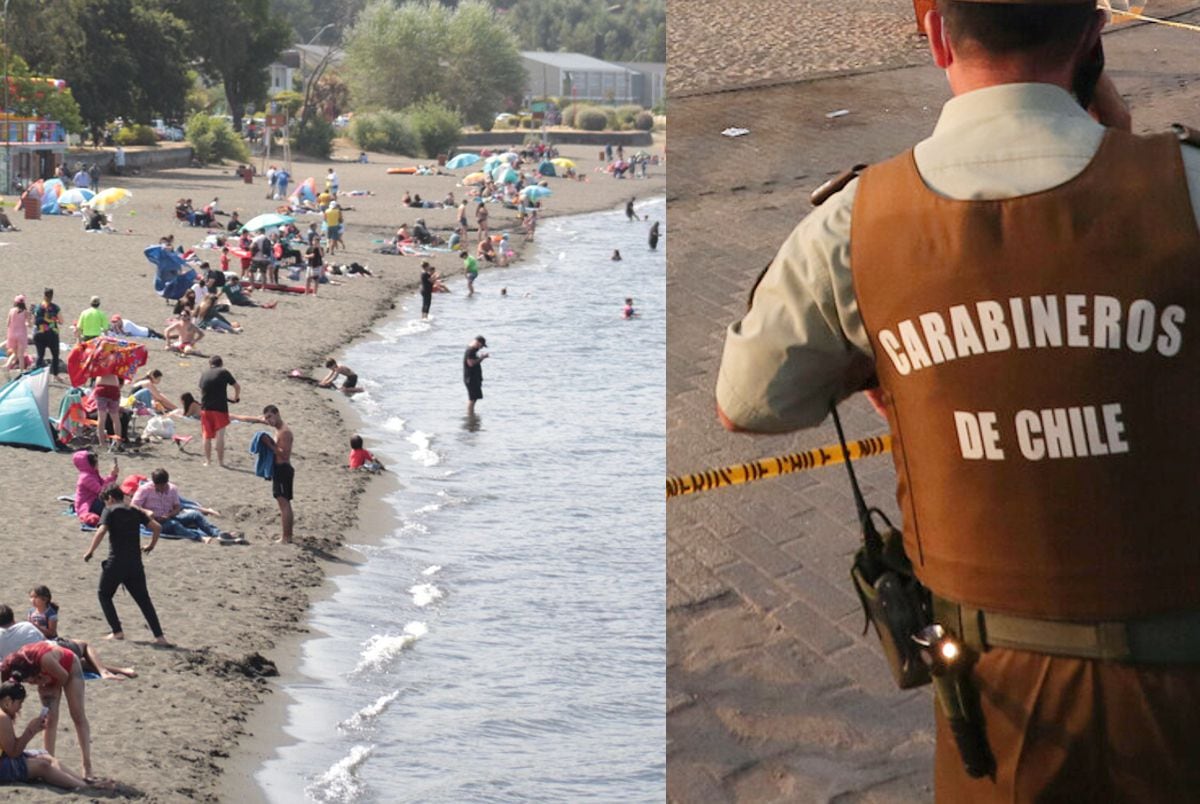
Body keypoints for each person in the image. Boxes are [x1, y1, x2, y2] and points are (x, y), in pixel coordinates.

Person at [715, 0, 1196, 798]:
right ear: (1092, 38)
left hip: (996, 703)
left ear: (936, 31)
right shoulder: (1183, 189)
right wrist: (1124, 134)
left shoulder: (854, 226)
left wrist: (886, 365)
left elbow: (749, 402)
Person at [84, 484, 168, 647]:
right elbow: (157, 527)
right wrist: (150, 546)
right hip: (135, 563)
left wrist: (90, 551)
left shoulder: (110, 510)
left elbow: (101, 531)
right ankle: (160, 637)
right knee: (144, 600)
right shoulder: (135, 510)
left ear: (110, 499)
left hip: (116, 562)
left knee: (104, 594)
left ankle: (117, 632)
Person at [0, 641, 95, 781]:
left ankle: (87, 766)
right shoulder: (16, 666)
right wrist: (42, 684)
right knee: (49, 718)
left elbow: (64, 676)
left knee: (77, 715)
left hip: (68, 667)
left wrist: (52, 688)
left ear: (34, 673)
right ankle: (50, 758)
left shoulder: (45, 660)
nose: (31, 684)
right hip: (44, 674)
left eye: (31, 681)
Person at [0, 679, 98, 790]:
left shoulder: (4, 715)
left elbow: (10, 747)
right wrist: (30, 731)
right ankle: (85, 787)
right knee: (43, 766)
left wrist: (33, 730)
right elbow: (13, 753)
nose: (20, 708)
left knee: (46, 756)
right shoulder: (2, 717)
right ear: (8, 701)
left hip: (4, 757)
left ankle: (82, 782)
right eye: (19, 703)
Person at [131, 468, 243, 543]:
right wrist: (146, 512)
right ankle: (199, 538)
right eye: (161, 486)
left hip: (169, 517)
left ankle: (218, 534)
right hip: (152, 522)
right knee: (174, 525)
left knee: (195, 514)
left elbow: (178, 506)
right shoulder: (144, 490)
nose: (163, 488)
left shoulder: (172, 489)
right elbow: (133, 506)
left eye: (165, 485)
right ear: (155, 484)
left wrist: (169, 514)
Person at [248, 405, 294, 544]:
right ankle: (287, 536)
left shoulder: (284, 432)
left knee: (284, 504)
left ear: (277, 414)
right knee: (283, 503)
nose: (269, 420)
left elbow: (284, 454)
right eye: (266, 418)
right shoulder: (278, 430)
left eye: (270, 417)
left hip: (283, 469)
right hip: (279, 469)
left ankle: (286, 537)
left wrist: (269, 444)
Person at [199, 355, 239, 468]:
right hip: (220, 408)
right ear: (221, 364)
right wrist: (236, 398)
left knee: (206, 436)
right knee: (220, 436)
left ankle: (208, 461)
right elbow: (237, 386)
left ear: (210, 364)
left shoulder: (205, 373)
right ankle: (221, 462)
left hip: (205, 408)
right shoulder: (223, 372)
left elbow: (202, 389)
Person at [72, 450, 117, 527]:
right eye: (95, 462)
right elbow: (101, 491)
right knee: (112, 505)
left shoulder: (93, 473)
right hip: (88, 504)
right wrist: (112, 475)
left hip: (94, 500)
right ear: (88, 464)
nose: (97, 464)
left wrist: (112, 475)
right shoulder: (86, 477)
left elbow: (103, 483)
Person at [463, 335, 488, 416]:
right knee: (472, 398)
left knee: (474, 398)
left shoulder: (472, 350)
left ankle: (471, 414)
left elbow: (472, 362)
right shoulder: (470, 351)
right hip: (471, 378)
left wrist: (480, 358)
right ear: (478, 343)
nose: (481, 348)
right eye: (481, 346)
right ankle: (470, 414)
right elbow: (470, 363)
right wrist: (482, 358)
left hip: (473, 378)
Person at [4, 296, 29, 372]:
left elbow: (7, 323)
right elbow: (29, 324)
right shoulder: (25, 312)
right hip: (21, 335)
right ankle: (22, 373)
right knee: (20, 356)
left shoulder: (11, 310)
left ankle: (7, 366)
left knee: (15, 353)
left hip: (12, 334)